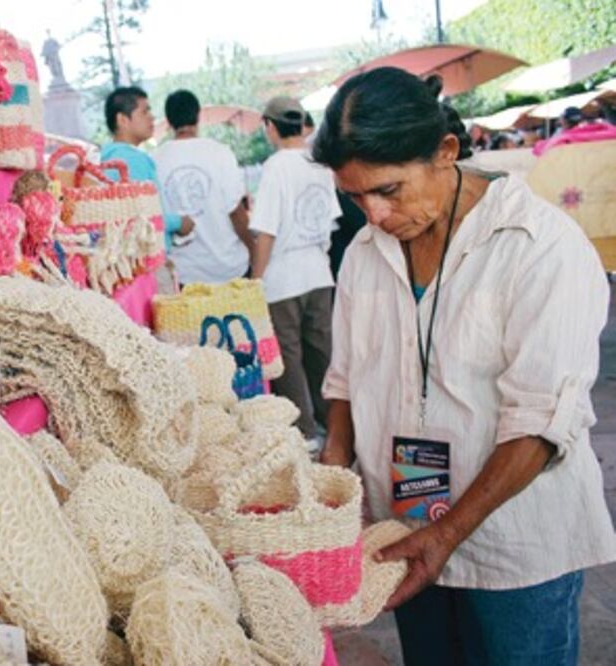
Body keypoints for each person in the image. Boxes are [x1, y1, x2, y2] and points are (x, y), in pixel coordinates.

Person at [313, 66, 616, 666]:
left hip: (515, 545)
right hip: (406, 525)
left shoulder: (539, 246)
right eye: (355, 196)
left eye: (389, 190)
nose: (374, 214)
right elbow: (345, 377)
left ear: (446, 151)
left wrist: (448, 534)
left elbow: (539, 422)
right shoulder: (365, 253)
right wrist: (332, 477)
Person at [249, 95, 341, 443]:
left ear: (270, 127)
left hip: (282, 279)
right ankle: (334, 427)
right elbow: (329, 221)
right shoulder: (320, 163)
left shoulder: (276, 167)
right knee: (322, 354)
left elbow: (267, 231)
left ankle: (306, 433)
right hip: (318, 272)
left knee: (288, 357)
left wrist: (256, 279)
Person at [151, 90, 251, 285]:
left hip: (183, 276)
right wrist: (253, 250)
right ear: (198, 116)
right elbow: (236, 212)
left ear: (169, 122)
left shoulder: (155, 160)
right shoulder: (220, 152)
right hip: (228, 269)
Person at [100, 87, 194, 255]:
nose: (152, 117)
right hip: (146, 255)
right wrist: (180, 223)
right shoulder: (132, 159)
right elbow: (143, 218)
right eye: (144, 112)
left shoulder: (109, 156)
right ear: (122, 120)